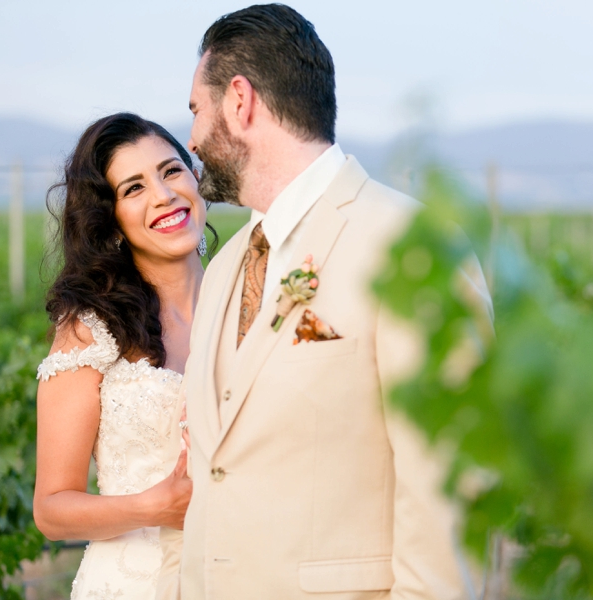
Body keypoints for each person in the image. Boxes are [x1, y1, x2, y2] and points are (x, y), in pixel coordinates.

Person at [160, 5, 491, 599]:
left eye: (195, 111)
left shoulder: (413, 250)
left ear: (240, 101)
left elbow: (451, 488)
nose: (190, 140)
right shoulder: (225, 268)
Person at [34, 112, 209, 599]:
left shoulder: (244, 303)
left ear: (197, 179)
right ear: (110, 221)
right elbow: (51, 510)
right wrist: (153, 507)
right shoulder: (90, 329)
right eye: (133, 188)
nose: (163, 194)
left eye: (171, 170)